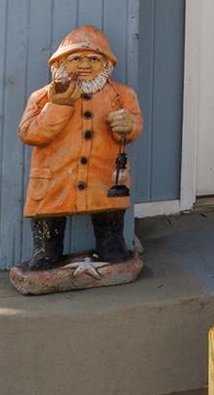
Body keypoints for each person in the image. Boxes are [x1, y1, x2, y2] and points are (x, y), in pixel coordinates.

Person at [17, 24, 142, 270]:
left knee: (110, 230)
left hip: (104, 177)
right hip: (55, 179)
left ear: (106, 64)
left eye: (94, 59)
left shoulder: (122, 95)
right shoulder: (43, 97)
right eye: (76, 59)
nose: (85, 65)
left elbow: (135, 125)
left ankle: (111, 247)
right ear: (60, 64)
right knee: (47, 234)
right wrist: (59, 105)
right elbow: (30, 133)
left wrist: (129, 126)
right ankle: (47, 253)